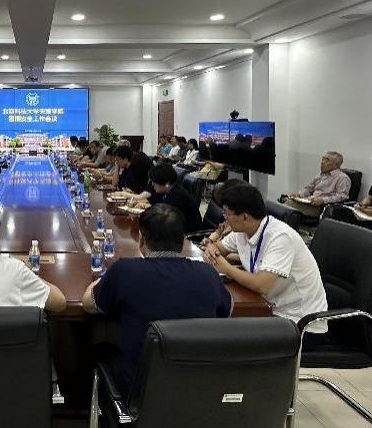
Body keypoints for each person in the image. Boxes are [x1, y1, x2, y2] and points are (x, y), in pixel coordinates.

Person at [81, 204, 232, 396]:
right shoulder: (208, 274)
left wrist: (102, 279)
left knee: (101, 348)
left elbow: (88, 304)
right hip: (197, 389)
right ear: (183, 240)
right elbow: (227, 311)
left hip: (140, 392)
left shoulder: (124, 271)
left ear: (141, 238)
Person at [203, 185, 328, 340]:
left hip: (299, 322)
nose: (224, 218)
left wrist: (227, 269)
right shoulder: (243, 231)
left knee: (230, 337)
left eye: (226, 213)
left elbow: (261, 284)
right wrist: (211, 248)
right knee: (219, 321)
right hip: (268, 307)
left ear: (244, 217)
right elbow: (219, 248)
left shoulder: (280, 237)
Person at [125, 164, 202, 232]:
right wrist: (139, 203)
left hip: (185, 234)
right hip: (173, 228)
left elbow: (162, 214)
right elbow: (154, 203)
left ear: (166, 183)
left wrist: (143, 209)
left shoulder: (177, 195)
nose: (152, 185)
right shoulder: (166, 190)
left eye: (154, 182)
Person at [280, 151, 351, 217]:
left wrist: (323, 200)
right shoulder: (320, 176)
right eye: (322, 159)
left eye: (326, 160)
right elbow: (308, 189)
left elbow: (342, 196)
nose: (322, 162)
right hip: (309, 203)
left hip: (321, 208)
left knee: (288, 205)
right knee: (285, 200)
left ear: (336, 165)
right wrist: (298, 194)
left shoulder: (342, 178)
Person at [198, 179, 250, 248]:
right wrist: (210, 240)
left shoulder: (241, 230)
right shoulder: (228, 221)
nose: (223, 213)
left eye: (226, 210)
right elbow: (218, 232)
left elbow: (236, 253)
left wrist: (214, 249)